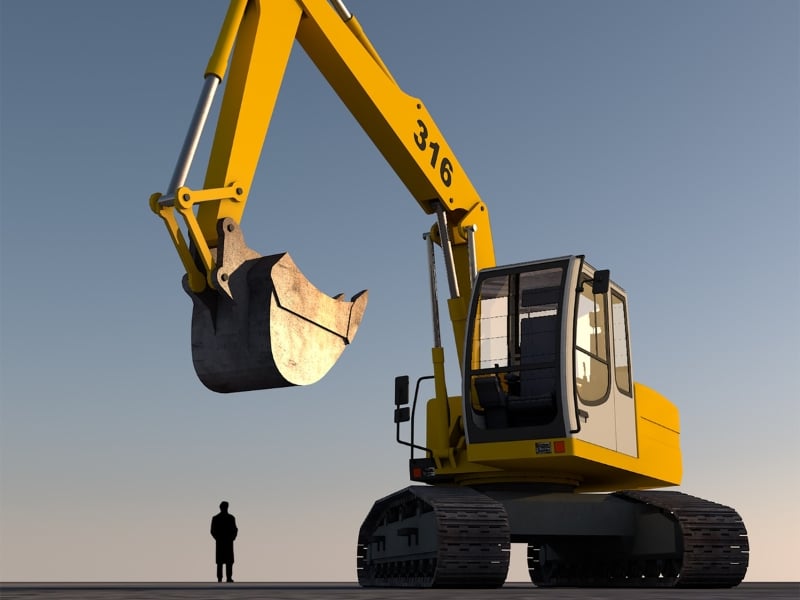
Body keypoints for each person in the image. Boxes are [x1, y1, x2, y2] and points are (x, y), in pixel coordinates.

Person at [210, 501, 238, 583]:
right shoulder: (217, 518)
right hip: (223, 542)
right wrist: (218, 538)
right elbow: (212, 531)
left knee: (226, 562)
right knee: (221, 562)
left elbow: (235, 530)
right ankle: (221, 578)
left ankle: (227, 578)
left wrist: (232, 538)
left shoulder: (230, 518)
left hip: (226, 542)